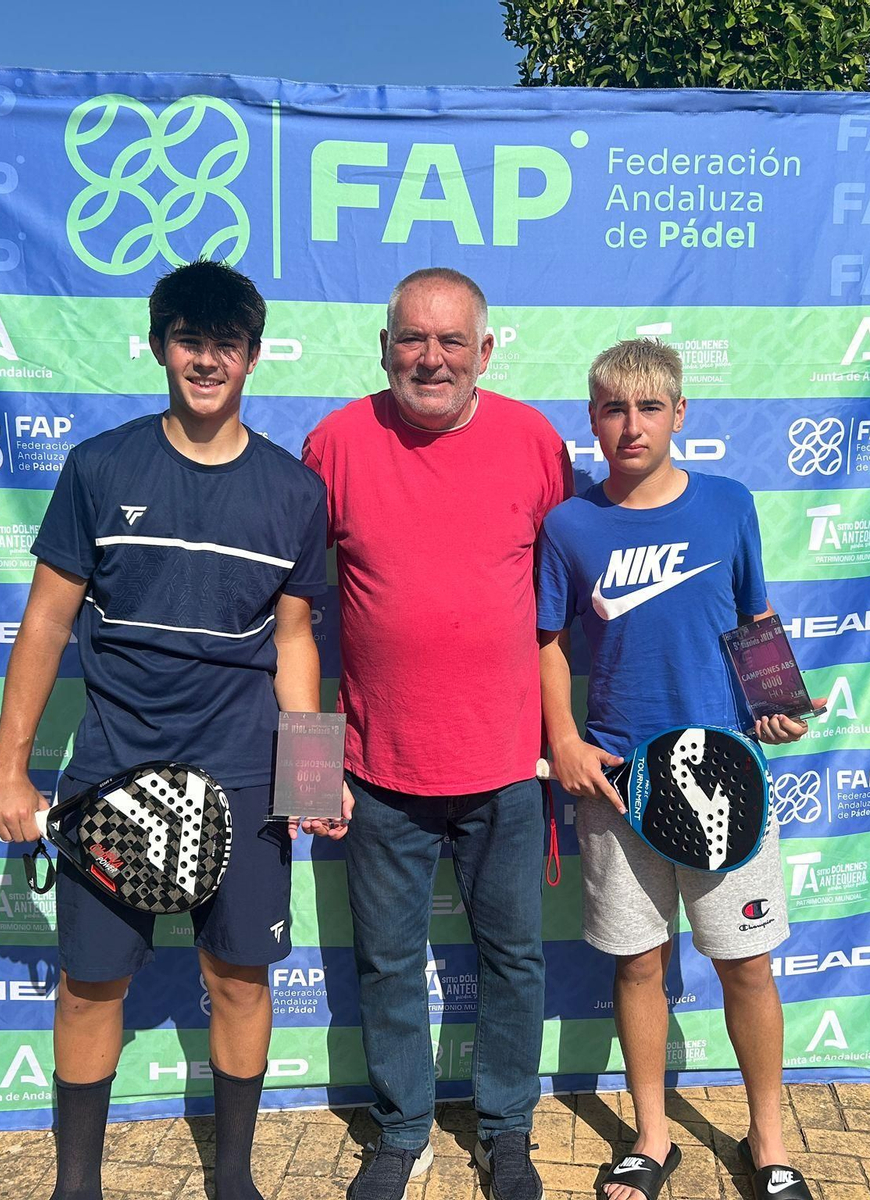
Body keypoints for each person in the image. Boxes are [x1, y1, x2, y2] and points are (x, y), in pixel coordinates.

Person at [0, 260, 335, 1200]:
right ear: (158, 345)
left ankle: (235, 1182)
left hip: (247, 780)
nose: (205, 360)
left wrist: (310, 775)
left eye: (224, 344)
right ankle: (76, 1187)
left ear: (253, 357)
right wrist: (7, 769)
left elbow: (296, 643)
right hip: (111, 773)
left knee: (243, 982)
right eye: (188, 339)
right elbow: (46, 624)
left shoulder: (295, 492)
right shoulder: (100, 467)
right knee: (91, 986)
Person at [301, 267, 571, 1200]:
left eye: (452, 341)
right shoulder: (336, 442)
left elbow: (563, 610)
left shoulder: (535, 442)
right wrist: (306, 774)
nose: (431, 357)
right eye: (412, 339)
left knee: (514, 961)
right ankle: (402, 1131)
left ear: (484, 352)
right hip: (377, 772)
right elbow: (295, 614)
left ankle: (506, 1131)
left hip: (505, 767)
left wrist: (566, 737)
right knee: (384, 963)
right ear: (385, 347)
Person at [536, 339, 817, 1200]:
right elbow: (546, 641)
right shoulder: (569, 525)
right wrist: (567, 740)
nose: (631, 425)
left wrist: (778, 701)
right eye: (614, 409)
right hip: (619, 782)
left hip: (727, 778)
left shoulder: (728, 506)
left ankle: (768, 1144)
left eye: (649, 408)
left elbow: (754, 614)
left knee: (748, 966)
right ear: (593, 419)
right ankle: (652, 1139)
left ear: (680, 414)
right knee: (637, 966)